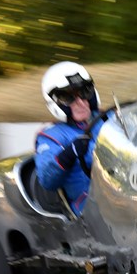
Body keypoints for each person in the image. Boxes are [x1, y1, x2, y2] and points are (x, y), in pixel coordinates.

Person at [35, 61, 106, 216]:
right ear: (56, 103)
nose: (80, 102)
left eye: (84, 92)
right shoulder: (51, 136)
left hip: (128, 190)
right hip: (90, 209)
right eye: (68, 98)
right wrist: (69, 153)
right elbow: (47, 180)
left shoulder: (110, 118)